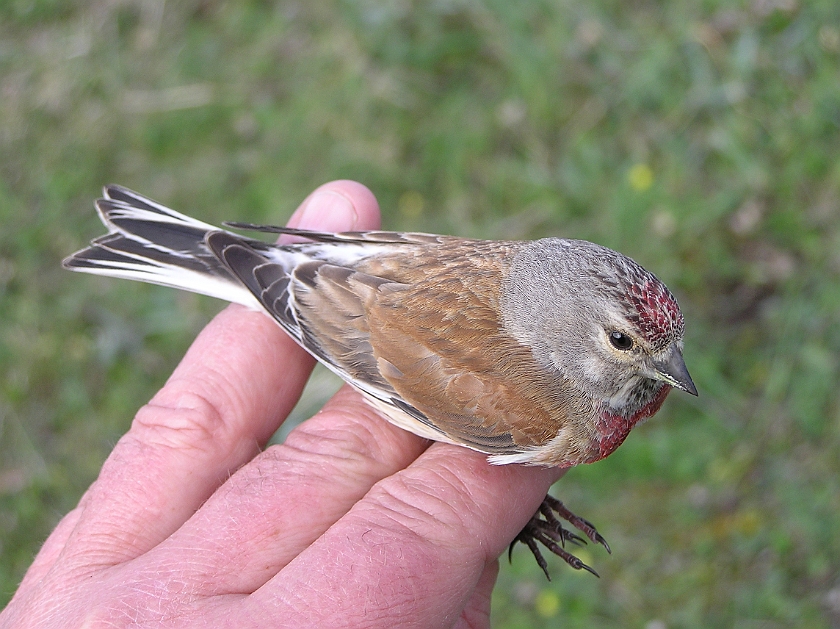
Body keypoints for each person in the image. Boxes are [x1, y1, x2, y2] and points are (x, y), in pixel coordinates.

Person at [0, 181, 563, 628]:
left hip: (365, 269)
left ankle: (161, 238)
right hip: (344, 312)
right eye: (622, 345)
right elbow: (387, 345)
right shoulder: (525, 400)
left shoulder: (517, 272)